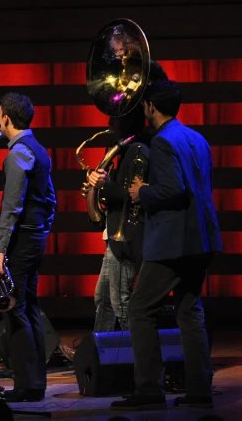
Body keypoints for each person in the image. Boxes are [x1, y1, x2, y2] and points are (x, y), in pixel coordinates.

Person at [111, 80, 221, 410]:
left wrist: (141, 192)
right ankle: (200, 390)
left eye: (144, 105)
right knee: (189, 312)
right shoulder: (197, 138)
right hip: (201, 238)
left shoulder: (161, 142)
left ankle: (148, 389)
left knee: (140, 308)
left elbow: (174, 189)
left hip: (174, 242)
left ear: (151, 107)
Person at [86, 61, 169, 337]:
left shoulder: (138, 149)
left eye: (115, 118)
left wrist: (104, 186)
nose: (110, 122)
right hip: (115, 236)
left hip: (128, 238)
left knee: (121, 303)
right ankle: (101, 355)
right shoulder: (124, 148)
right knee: (104, 300)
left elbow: (135, 196)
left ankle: (138, 361)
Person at [0, 93, 56, 402]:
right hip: (35, 238)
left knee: (15, 310)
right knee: (29, 308)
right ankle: (35, 383)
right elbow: (51, 200)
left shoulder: (17, 153)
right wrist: (42, 230)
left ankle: (25, 385)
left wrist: (0, 249)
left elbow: (11, 207)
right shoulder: (39, 150)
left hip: (21, 242)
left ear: (5, 118)